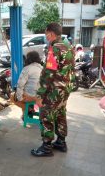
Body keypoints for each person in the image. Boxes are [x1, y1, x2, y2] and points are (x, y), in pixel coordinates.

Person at [31, 23, 74, 157]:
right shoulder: (68, 46)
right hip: (65, 88)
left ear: (50, 33)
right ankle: (61, 142)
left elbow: (49, 73)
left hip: (54, 90)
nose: (46, 36)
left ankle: (46, 147)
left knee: (46, 116)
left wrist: (40, 95)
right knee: (60, 114)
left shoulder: (54, 48)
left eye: (46, 33)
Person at [11, 51, 43, 118]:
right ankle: (28, 112)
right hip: (41, 96)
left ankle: (29, 110)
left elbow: (20, 85)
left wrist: (20, 98)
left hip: (31, 97)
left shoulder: (27, 69)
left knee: (13, 96)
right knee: (23, 93)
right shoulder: (42, 68)